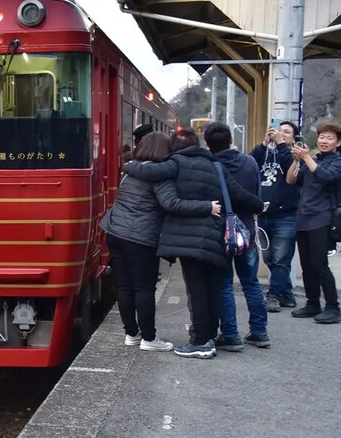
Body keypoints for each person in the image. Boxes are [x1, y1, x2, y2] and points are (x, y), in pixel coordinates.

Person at [123, 129, 264, 359]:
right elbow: (240, 194)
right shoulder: (217, 167)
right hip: (216, 237)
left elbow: (148, 169)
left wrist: (127, 165)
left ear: (175, 147)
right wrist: (260, 206)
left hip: (189, 239)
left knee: (197, 290)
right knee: (213, 288)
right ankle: (210, 335)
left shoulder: (175, 163)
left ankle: (201, 342)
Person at [101, 132, 221, 352]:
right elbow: (172, 204)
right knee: (144, 289)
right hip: (141, 237)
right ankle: (149, 338)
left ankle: (131, 334)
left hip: (115, 231)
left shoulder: (130, 171)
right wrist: (207, 207)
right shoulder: (159, 176)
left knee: (125, 286)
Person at [205, 122, 270, 350]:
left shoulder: (209, 166)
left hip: (220, 233)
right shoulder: (250, 162)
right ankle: (259, 332)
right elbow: (256, 197)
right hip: (247, 232)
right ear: (231, 139)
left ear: (207, 144)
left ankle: (231, 335)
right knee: (251, 282)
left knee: (224, 283)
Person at [286, 122, 341, 324]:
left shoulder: (337, 161)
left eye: (329, 138)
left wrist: (307, 157)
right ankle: (312, 303)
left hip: (323, 218)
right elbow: (292, 180)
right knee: (307, 265)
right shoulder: (313, 161)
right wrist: (296, 161)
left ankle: (333, 307)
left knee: (319, 264)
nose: (324, 141)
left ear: (338, 143)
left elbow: (327, 177)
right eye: (322, 137)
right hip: (304, 217)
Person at [250, 121, 301, 312]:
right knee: (270, 258)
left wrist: (281, 145)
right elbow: (249, 162)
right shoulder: (266, 153)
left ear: (294, 138)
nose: (281, 134)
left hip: (286, 215)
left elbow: (293, 173)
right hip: (263, 215)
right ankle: (286, 294)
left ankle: (273, 296)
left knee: (281, 259)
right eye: (279, 131)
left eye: (287, 132)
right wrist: (264, 144)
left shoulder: (295, 155)